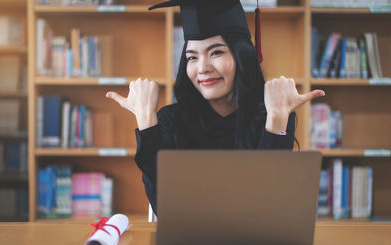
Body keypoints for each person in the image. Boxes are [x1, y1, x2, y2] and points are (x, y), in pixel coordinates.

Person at [106, 0, 325, 215]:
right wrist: (146, 120)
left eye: (216, 53)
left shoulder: (270, 115)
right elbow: (165, 210)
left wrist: (278, 117)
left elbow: (268, 206)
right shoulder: (171, 121)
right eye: (192, 57)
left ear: (243, 56)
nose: (202, 68)